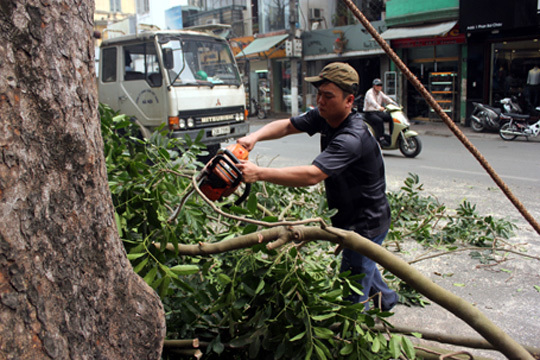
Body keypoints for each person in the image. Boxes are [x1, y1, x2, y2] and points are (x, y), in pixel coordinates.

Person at [236, 62, 398, 311]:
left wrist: (259, 173)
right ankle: (387, 301)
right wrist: (253, 137)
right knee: (364, 264)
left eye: (328, 96)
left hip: (365, 223)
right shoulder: (325, 116)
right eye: (319, 94)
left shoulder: (352, 137)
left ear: (349, 100)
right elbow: (289, 125)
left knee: (352, 286)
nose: (320, 101)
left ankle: (355, 330)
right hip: (349, 217)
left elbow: (313, 175)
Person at [363, 78, 397, 146]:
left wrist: (394, 103)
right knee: (379, 121)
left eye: (380, 85)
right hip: (370, 113)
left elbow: (386, 99)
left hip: (377, 112)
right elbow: (372, 102)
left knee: (390, 117)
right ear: (374, 86)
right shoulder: (369, 93)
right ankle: (381, 138)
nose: (379, 87)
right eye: (377, 85)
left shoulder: (380, 93)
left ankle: (391, 135)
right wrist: (379, 107)